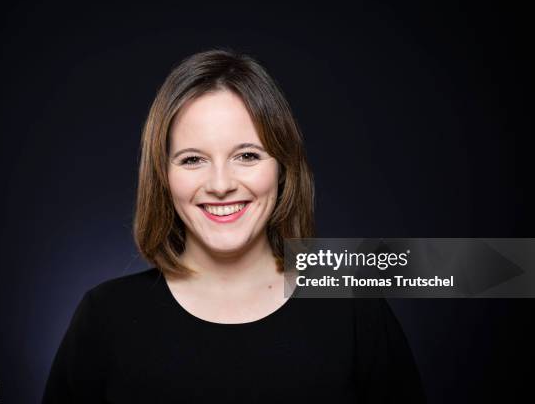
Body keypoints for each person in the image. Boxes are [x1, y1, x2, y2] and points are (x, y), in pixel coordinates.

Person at [41, 48, 427, 403]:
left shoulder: (354, 307)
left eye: (246, 155)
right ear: (163, 176)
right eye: (193, 159)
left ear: (282, 167)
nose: (221, 185)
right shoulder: (105, 317)